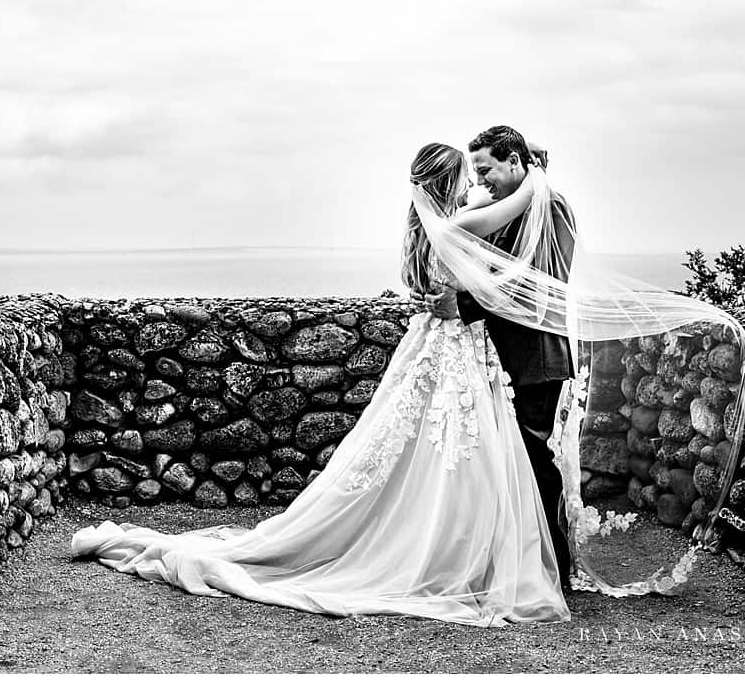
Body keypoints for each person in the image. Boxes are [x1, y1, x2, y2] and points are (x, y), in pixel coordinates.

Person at [71, 142, 572, 628]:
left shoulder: (423, 231)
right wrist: (537, 173)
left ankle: (457, 546)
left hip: (439, 349)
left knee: (435, 454)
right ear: (447, 182)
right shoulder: (459, 225)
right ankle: (463, 553)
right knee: (461, 456)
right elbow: (517, 204)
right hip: (457, 355)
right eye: (465, 175)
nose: (473, 183)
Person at [412, 125, 575, 585]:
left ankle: (553, 569)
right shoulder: (503, 205)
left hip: (536, 354)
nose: (482, 181)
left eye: (487, 170)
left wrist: (461, 306)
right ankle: (518, 560)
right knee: (509, 461)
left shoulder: (553, 208)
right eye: (475, 172)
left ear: (515, 162)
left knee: (535, 459)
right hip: (500, 353)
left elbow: (538, 287)